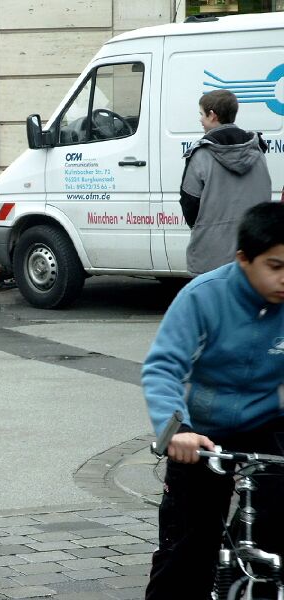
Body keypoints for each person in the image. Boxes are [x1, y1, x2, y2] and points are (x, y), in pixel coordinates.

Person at [143, 202, 284, 599]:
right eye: (275, 266)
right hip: (202, 433)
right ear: (243, 259)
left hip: (268, 423)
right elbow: (163, 368)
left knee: (276, 529)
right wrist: (177, 431)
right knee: (187, 550)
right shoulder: (203, 297)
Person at [179, 89, 272, 275]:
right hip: (253, 254)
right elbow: (265, 197)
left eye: (201, 114)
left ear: (212, 115)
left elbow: (189, 203)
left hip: (211, 256)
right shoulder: (257, 150)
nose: (200, 119)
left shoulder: (201, 154)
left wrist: (205, 228)